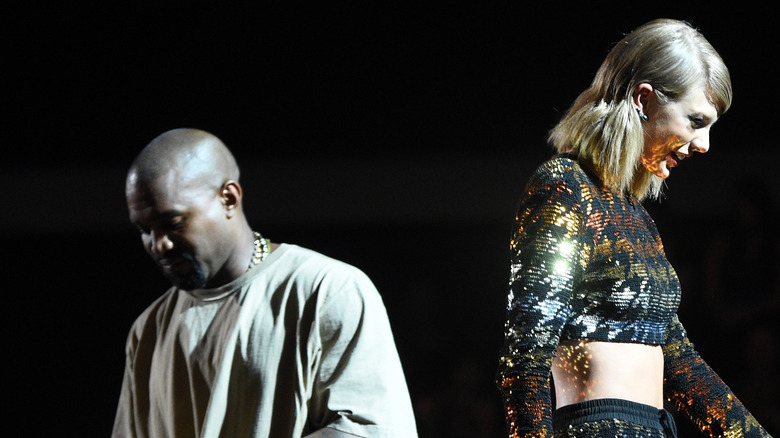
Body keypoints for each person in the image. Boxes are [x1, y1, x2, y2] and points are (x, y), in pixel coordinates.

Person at [496, 19, 772, 438]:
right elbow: (526, 356)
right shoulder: (564, 186)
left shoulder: (637, 217)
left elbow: (680, 362)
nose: (705, 144)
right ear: (644, 98)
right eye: (696, 120)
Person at [112, 128, 418, 438]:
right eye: (144, 229)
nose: (158, 244)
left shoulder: (327, 290)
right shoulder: (149, 329)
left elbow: (373, 430)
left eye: (172, 223)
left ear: (228, 198)